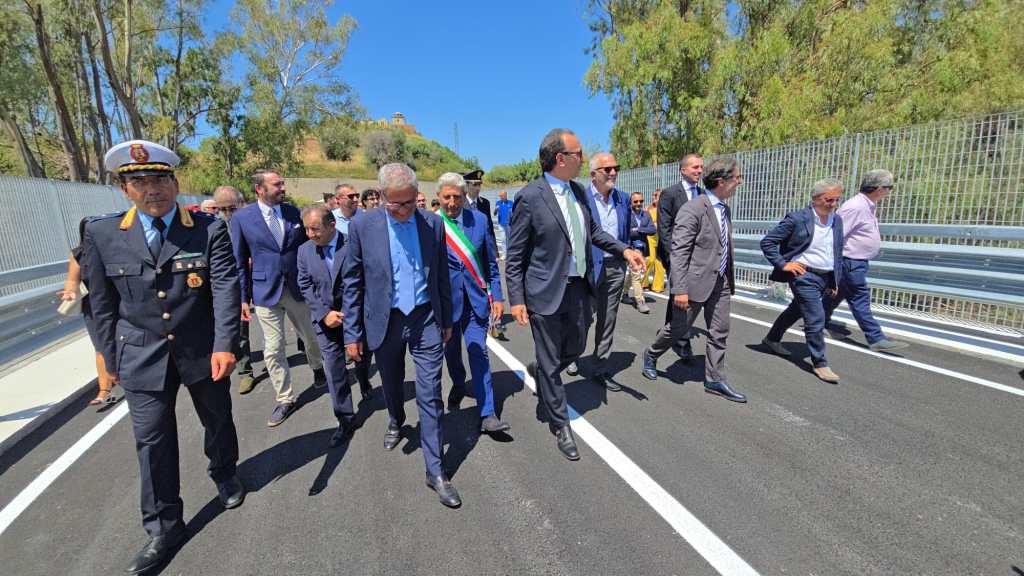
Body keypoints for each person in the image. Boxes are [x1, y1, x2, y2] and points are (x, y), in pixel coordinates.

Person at [83, 140, 244, 574]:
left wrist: (225, 344)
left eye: (159, 179)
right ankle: (164, 527)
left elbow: (225, 288)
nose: (151, 189)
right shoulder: (101, 234)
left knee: (217, 418)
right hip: (139, 355)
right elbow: (100, 302)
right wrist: (110, 358)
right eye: (139, 181)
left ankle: (224, 471)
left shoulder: (207, 229)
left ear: (174, 183)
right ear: (125, 189)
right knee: (152, 441)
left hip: (201, 349)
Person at [506, 128, 644, 461]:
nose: (583, 158)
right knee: (551, 360)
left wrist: (624, 249)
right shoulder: (530, 196)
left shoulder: (579, 192)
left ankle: (543, 370)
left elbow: (593, 232)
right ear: (560, 158)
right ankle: (560, 424)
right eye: (578, 153)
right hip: (544, 291)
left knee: (577, 347)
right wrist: (517, 298)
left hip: (579, 288)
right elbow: (515, 253)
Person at [342, 163, 460, 508]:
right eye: (396, 204)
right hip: (386, 320)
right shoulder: (363, 226)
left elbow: (441, 274)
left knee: (430, 392)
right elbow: (352, 281)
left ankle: (435, 470)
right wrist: (352, 332)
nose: (406, 210)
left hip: (425, 318)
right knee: (391, 383)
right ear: (382, 197)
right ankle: (396, 418)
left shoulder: (432, 223)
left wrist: (446, 317)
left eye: (410, 202)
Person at [641, 158, 746, 402]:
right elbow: (679, 251)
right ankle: (652, 353)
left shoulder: (724, 209)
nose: (739, 182)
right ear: (721, 181)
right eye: (736, 178)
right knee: (678, 329)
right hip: (694, 283)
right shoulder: (693, 208)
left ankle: (715, 379)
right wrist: (679, 289)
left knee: (719, 331)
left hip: (720, 281)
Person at [230, 169, 326, 427]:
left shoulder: (294, 213)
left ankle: (317, 367)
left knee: (311, 337)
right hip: (265, 291)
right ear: (259, 189)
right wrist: (243, 298)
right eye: (276, 184)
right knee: (273, 348)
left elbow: (308, 248)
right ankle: (285, 398)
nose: (282, 187)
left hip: (296, 288)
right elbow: (240, 261)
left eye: (282, 183)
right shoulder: (242, 219)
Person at [435, 172, 510, 434]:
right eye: (447, 197)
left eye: (457, 197)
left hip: (475, 300)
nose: (452, 202)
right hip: (446, 304)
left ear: (464, 196)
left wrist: (497, 296)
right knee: (452, 352)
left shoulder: (479, 220)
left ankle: (488, 413)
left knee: (478, 352)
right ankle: (458, 383)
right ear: (439, 197)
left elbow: (490, 263)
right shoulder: (432, 224)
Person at [761, 178, 846, 383]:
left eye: (837, 200)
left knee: (796, 309)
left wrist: (834, 280)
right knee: (816, 317)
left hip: (825, 275)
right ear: (815, 198)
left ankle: (772, 339)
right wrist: (783, 264)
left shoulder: (837, 220)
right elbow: (768, 242)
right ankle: (820, 363)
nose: (834, 204)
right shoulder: (797, 219)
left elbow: (836, 251)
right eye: (829, 200)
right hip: (803, 275)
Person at [566, 152, 632, 391]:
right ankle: (572, 355)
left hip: (615, 267)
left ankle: (600, 368)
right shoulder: (579, 198)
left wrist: (626, 256)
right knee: (582, 318)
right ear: (593, 174)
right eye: (608, 169)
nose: (614, 173)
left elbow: (625, 232)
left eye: (616, 168)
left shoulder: (623, 199)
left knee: (608, 319)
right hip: (588, 268)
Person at [297, 205, 361, 447]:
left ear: (332, 225)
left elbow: (362, 282)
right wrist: (324, 314)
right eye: (306, 229)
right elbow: (304, 285)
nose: (310, 234)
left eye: (315, 229)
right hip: (324, 320)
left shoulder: (353, 244)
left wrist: (351, 316)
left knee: (362, 359)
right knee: (334, 370)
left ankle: (365, 383)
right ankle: (345, 419)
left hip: (355, 316)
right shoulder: (304, 250)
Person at [825, 169, 908, 352]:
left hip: (855, 261)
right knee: (859, 298)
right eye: (889, 188)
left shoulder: (866, 205)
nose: (889, 192)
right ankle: (876, 338)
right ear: (879, 188)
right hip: (850, 261)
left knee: (837, 294)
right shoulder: (856, 206)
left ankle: (818, 323)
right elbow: (836, 234)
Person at [57, 217, 119, 409]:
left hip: (122, 304)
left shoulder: (116, 247)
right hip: (94, 308)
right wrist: (70, 291)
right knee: (101, 347)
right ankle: (105, 390)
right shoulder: (79, 254)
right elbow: (72, 279)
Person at [655, 153, 704, 362]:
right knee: (682, 295)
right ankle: (681, 341)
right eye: (695, 167)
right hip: (676, 255)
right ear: (683, 170)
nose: (699, 171)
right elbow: (664, 228)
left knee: (681, 296)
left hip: (698, 257)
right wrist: (674, 258)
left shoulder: (703, 194)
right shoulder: (670, 194)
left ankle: (670, 331)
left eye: (701, 167)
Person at [213, 185, 261, 393]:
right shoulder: (213, 227)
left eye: (231, 208)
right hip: (227, 283)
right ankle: (244, 371)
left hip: (253, 279)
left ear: (241, 204)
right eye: (221, 209)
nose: (226, 213)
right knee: (238, 329)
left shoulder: (251, 221)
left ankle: (307, 348)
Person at [330, 183, 374, 397]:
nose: (356, 199)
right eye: (351, 196)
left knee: (361, 338)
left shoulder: (366, 219)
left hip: (359, 285)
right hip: (334, 287)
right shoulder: (329, 220)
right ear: (338, 199)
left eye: (357, 195)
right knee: (335, 341)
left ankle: (363, 380)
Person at [627, 192, 655, 313]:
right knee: (636, 273)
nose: (639, 203)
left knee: (633, 273)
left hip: (643, 248)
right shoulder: (626, 214)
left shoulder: (646, 214)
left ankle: (623, 293)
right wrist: (642, 231)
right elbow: (626, 231)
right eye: (636, 201)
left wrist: (638, 229)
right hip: (631, 248)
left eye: (641, 201)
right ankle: (640, 301)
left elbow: (652, 230)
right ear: (631, 202)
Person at [645, 189, 666, 293]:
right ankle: (643, 283)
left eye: (656, 195)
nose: (654, 197)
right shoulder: (647, 209)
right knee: (650, 260)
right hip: (650, 237)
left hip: (661, 238)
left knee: (660, 263)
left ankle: (658, 286)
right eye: (653, 195)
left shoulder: (665, 209)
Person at [463, 169, 494, 237]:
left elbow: (490, 228)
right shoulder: (460, 204)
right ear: (466, 185)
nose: (478, 188)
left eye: (479, 185)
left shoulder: (485, 203)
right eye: (474, 185)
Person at [493, 189, 513, 259]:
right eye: (500, 196)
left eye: (501, 196)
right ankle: (504, 255)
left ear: (505, 195)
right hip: (501, 224)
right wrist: (496, 209)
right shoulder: (498, 203)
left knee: (509, 239)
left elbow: (515, 213)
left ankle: (510, 254)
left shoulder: (511, 203)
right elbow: (494, 214)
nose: (500, 197)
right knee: (503, 239)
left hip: (509, 224)